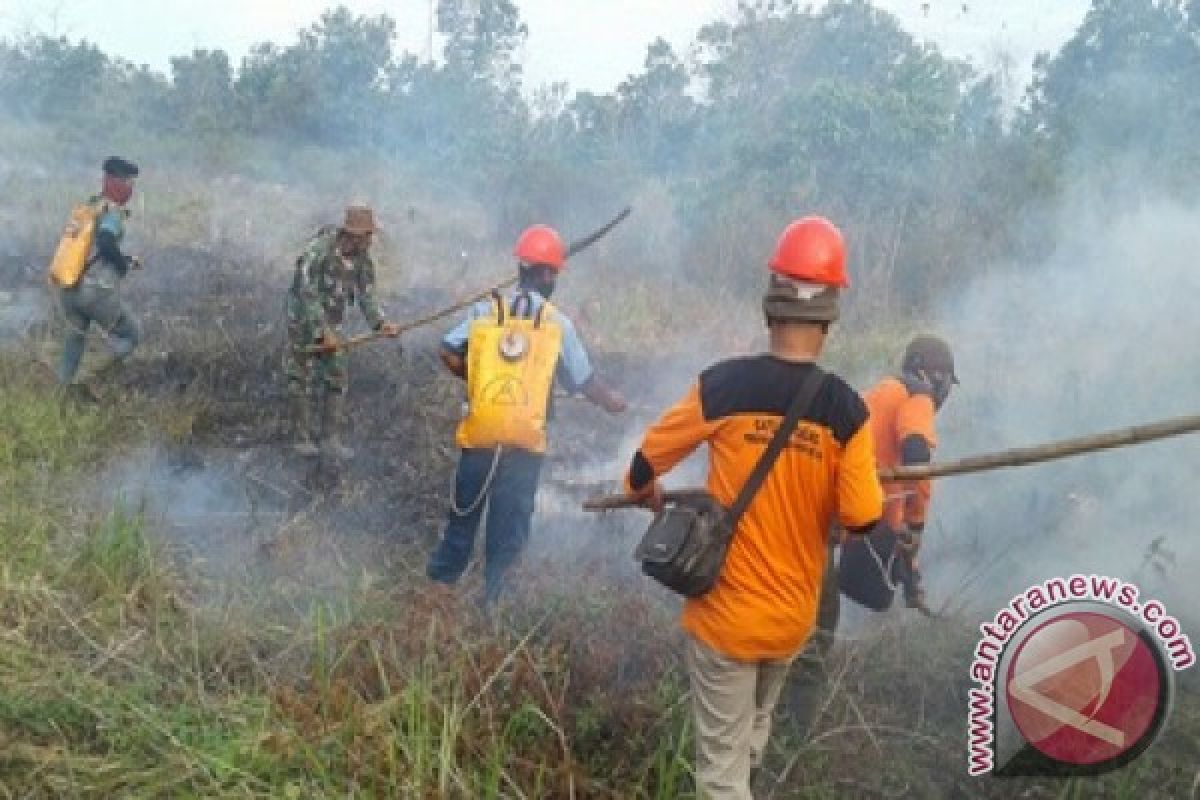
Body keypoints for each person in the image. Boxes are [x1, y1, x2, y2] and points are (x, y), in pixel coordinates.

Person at [622, 217, 884, 799]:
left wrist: (647, 494)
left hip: (726, 620)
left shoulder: (723, 386)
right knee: (753, 733)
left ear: (770, 308)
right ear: (830, 318)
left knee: (719, 775)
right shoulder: (847, 410)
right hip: (791, 622)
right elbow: (863, 517)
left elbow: (644, 465)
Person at [427, 224, 627, 607]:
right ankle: (495, 609)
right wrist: (613, 402)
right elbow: (584, 381)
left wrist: (477, 380)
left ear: (521, 266)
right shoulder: (557, 323)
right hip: (523, 446)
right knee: (509, 533)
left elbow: (448, 349)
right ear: (550, 275)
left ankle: (434, 603)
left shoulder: (489, 309)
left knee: (460, 525)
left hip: (480, 437)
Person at [837, 334, 958, 613]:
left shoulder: (877, 393)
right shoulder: (918, 396)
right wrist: (916, 526)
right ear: (934, 377)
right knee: (874, 598)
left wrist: (910, 569)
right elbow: (917, 457)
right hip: (871, 518)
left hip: (842, 505)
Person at [283, 205, 401, 458]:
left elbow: (366, 295)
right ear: (354, 235)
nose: (371, 240)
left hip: (331, 321)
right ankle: (300, 438)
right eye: (367, 235)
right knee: (300, 374)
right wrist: (321, 332)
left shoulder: (362, 261)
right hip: (303, 318)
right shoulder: (318, 252)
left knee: (336, 373)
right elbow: (307, 293)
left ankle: (330, 440)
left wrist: (380, 324)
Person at [57, 156, 141, 389]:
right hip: (95, 292)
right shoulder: (112, 212)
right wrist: (122, 266)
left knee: (74, 339)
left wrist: (123, 259)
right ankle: (87, 381)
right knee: (131, 335)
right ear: (116, 183)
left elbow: (90, 248)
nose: (131, 189)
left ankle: (62, 391)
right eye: (129, 183)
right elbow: (105, 240)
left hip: (70, 288)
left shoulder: (89, 206)